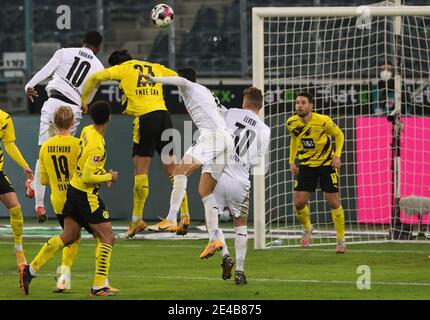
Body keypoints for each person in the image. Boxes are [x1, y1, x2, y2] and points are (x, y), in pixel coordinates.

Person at [81, 50, 190, 237]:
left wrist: (84, 100)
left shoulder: (123, 69)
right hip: (164, 117)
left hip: (145, 119)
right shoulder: (155, 67)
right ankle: (185, 215)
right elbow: (181, 79)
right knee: (173, 169)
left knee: (141, 172)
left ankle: (136, 220)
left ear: (116, 64)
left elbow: (95, 77)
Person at [20, 101, 119, 296]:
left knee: (69, 237)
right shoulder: (81, 141)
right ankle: (98, 284)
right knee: (106, 236)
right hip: (83, 193)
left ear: (55, 123)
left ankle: (31, 270)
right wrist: (108, 176)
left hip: (61, 198)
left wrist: (39, 203)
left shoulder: (53, 144)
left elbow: (44, 179)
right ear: (73, 122)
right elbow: (87, 173)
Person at [143, 67, 234, 259]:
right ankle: (214, 239)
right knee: (205, 192)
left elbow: (183, 82)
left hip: (212, 137)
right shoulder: (206, 92)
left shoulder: (188, 87)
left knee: (179, 172)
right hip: (227, 139)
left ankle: (170, 218)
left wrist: (155, 80)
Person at [24, 31, 104, 223]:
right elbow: (88, 101)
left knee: (44, 151)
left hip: (53, 102)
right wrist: (84, 104)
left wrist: (30, 84)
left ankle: (39, 202)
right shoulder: (99, 68)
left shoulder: (65, 52)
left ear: (82, 42)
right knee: (64, 152)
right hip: (73, 109)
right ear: (98, 48)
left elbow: (46, 70)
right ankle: (68, 205)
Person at [214, 87, 271, 285]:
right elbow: (256, 161)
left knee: (212, 222)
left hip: (219, 176)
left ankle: (225, 256)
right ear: (260, 106)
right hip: (241, 180)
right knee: (241, 225)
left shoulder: (231, 113)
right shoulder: (264, 130)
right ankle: (240, 270)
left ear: (244, 103)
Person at [286, 92, 346, 253]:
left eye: (303, 102)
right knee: (298, 203)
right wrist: (292, 160)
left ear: (311, 106)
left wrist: (337, 156)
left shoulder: (323, 121)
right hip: (306, 165)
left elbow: (339, 135)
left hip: (326, 165)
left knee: (333, 202)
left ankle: (340, 240)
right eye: (297, 102)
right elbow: (294, 138)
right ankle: (307, 228)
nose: (299, 105)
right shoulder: (291, 123)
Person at [0, 109, 33, 268]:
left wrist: (24, 165)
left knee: (16, 209)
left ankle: (18, 248)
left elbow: (9, 144)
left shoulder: (4, 119)